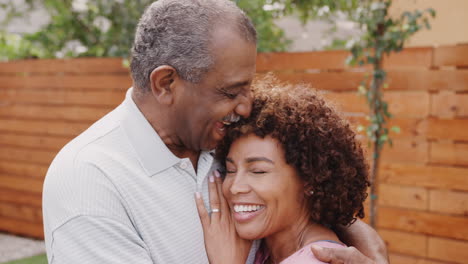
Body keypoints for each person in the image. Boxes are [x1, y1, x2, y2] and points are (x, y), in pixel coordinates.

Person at [42, 0, 387, 263]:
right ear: (166, 84)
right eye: (229, 91)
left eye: (247, 88)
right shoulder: (90, 181)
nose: (246, 107)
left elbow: (305, 182)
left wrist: (358, 236)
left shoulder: (224, 136)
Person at [196, 77, 371, 264]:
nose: (234, 187)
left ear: (310, 180)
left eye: (258, 171)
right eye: (230, 170)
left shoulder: (318, 259)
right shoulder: (267, 249)